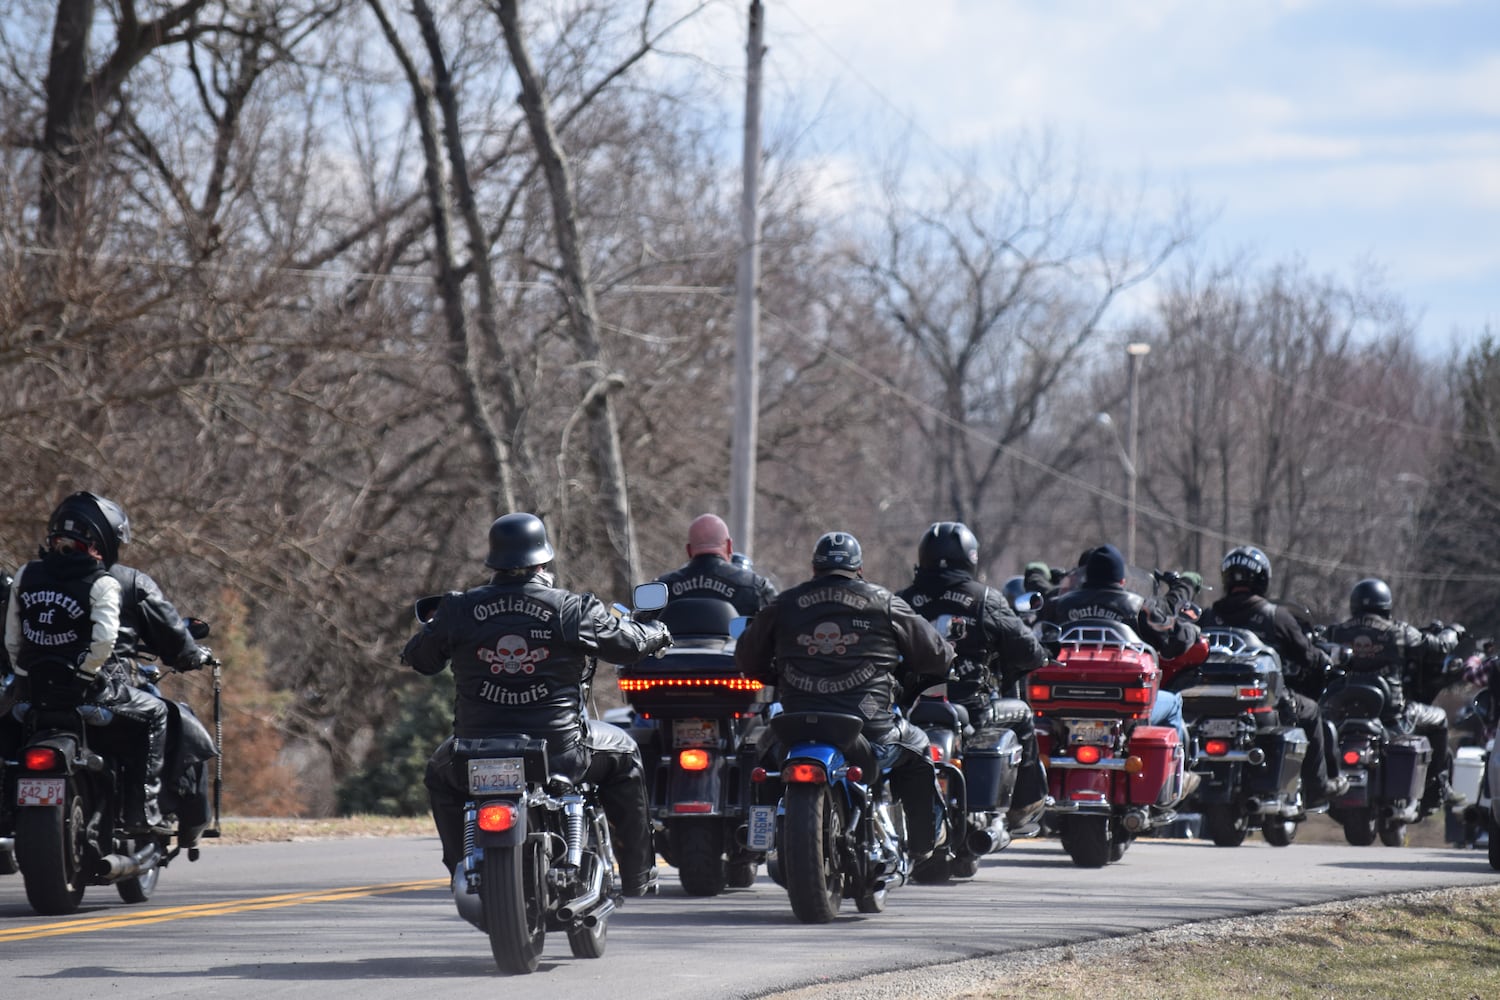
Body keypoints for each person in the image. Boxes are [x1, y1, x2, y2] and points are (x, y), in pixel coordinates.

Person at [403, 512, 673, 896]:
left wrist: (439, 626)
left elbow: (420, 660)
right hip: (562, 751)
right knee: (626, 754)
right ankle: (637, 876)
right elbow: (628, 645)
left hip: (474, 754)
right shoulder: (570, 608)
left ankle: (460, 868)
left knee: (438, 773)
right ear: (542, 561)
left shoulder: (459, 608)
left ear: (493, 560)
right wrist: (656, 632)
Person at [735, 530, 954, 873]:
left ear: (814, 568)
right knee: (919, 745)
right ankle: (924, 842)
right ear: (859, 569)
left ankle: (757, 837)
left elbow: (747, 659)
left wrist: (777, 675)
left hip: (797, 720)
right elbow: (937, 655)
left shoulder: (784, 604)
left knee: (759, 757)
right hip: (867, 723)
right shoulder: (883, 601)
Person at [4, 492, 206, 830]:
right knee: (157, 713)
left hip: (32, 692)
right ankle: (143, 810)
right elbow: (112, 641)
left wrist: (23, 674)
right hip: (94, 692)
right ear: (104, 539)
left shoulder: (27, 575)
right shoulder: (111, 582)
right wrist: (192, 655)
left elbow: (13, 638)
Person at [896, 522, 1049, 823]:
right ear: (970, 558)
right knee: (1023, 715)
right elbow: (1027, 650)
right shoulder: (984, 599)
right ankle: (1024, 805)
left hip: (910, 711)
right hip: (971, 711)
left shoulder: (902, 601)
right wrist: (1042, 656)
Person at [1197, 546, 1348, 807]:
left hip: (1213, 699)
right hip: (1263, 700)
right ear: (1262, 579)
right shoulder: (1275, 616)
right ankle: (1317, 787)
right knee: (1311, 711)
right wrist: (1328, 660)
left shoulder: (1210, 616)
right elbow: (1308, 656)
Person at [1324, 577, 1465, 812]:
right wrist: (1453, 632)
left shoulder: (1336, 632)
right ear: (1386, 605)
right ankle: (1438, 786)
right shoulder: (1398, 631)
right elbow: (1438, 646)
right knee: (1439, 717)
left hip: (1343, 712)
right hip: (1393, 715)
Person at [1038, 543, 1193, 746]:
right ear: (1122, 579)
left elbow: (1037, 641)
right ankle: (1175, 775)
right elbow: (1175, 643)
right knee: (1173, 702)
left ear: (1085, 576)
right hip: (1126, 705)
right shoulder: (1138, 606)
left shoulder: (1058, 605)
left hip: (1064, 702)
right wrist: (1191, 630)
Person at [653, 513, 778, 616]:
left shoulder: (661, 588)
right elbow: (779, 625)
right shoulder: (756, 588)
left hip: (675, 646)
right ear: (729, 546)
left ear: (689, 550)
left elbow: (641, 630)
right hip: (737, 647)